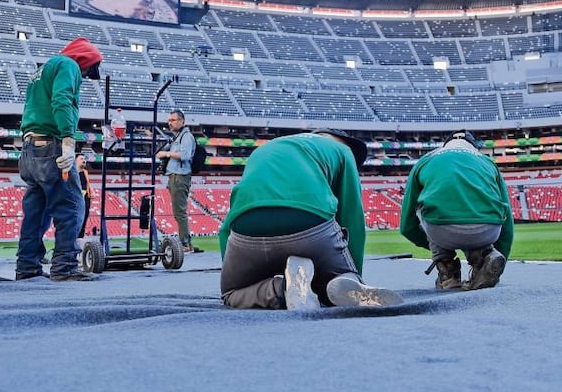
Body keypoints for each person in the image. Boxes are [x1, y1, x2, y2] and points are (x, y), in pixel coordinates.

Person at [218, 129, 401, 310]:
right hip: (311, 226)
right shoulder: (342, 150)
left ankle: (281, 288)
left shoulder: (265, 149)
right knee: (337, 278)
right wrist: (354, 273)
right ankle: (343, 281)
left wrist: (237, 267)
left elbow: (225, 228)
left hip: (245, 232)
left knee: (231, 293)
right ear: (342, 141)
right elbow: (351, 215)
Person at [15, 37, 103, 281]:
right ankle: (64, 267)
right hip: (50, 146)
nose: (84, 75)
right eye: (87, 70)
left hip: (30, 148)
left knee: (36, 212)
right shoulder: (69, 65)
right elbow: (62, 99)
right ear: (85, 60)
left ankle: (26, 267)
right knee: (72, 207)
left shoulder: (43, 68)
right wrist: (68, 139)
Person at [400, 131, 514, 291]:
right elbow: (507, 218)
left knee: (421, 207)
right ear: (474, 147)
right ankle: (485, 255)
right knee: (480, 210)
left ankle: (447, 270)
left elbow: (407, 224)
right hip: (489, 230)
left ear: (445, 145)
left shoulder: (425, 161)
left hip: (440, 230)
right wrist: (500, 252)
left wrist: (438, 247)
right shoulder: (488, 162)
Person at [156, 109, 194, 252]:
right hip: (175, 175)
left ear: (181, 121)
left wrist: (166, 153)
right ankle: (186, 242)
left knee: (180, 212)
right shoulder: (177, 137)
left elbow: (184, 155)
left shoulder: (186, 137)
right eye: (169, 120)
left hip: (180, 176)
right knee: (179, 212)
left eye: (172, 120)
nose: (169, 123)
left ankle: (185, 244)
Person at [76, 154, 91, 239]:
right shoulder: (72, 172)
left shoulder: (85, 172)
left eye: (85, 159)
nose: (84, 160)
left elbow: (87, 182)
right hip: (76, 197)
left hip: (85, 197)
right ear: (76, 161)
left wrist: (91, 191)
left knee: (84, 216)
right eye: (81, 159)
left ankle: (80, 236)